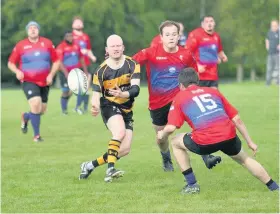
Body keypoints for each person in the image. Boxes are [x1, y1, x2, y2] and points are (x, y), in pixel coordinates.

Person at [158, 68, 279, 194]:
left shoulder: (179, 97)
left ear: (181, 85)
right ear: (197, 81)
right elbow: (237, 119)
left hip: (205, 142)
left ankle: (192, 184)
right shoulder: (213, 92)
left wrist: (162, 135)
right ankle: (274, 186)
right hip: (229, 136)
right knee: (244, 159)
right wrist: (250, 142)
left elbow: (171, 127)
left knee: (175, 141)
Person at [133, 20, 221, 172]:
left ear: (179, 35)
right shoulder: (150, 52)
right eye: (167, 35)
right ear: (161, 37)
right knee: (161, 137)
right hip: (157, 103)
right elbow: (130, 62)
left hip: (180, 98)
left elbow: (193, 75)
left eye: (174, 34)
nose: (171, 37)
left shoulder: (185, 54)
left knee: (198, 122)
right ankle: (166, 159)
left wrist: (194, 92)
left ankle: (207, 155)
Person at [79, 34, 141, 182]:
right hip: (109, 105)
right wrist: (94, 106)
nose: (116, 48)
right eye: (113, 46)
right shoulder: (101, 70)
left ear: (123, 47)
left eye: (118, 45)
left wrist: (123, 93)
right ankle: (110, 170)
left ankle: (89, 165)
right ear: (107, 49)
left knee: (124, 149)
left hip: (127, 108)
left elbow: (136, 89)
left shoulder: (132, 64)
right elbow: (96, 94)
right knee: (119, 132)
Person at [8, 21, 60, 142]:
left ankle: (26, 117)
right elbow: (10, 63)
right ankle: (37, 136)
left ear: (38, 30)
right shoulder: (21, 45)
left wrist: (51, 75)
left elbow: (56, 61)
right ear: (27, 31)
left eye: (35, 28)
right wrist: (17, 71)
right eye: (30, 28)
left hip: (45, 81)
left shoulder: (47, 43)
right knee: (36, 103)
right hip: (28, 80)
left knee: (41, 110)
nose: (33, 30)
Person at [185, 15, 227, 88]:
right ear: (202, 24)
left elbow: (219, 51)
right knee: (199, 97)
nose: (209, 24)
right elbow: (187, 52)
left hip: (213, 75)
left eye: (211, 21)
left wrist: (223, 56)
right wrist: (196, 65)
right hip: (199, 76)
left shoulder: (216, 36)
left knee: (213, 97)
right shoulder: (195, 34)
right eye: (207, 22)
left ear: (214, 23)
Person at [56, 31, 89, 114]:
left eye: (71, 36)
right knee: (66, 91)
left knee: (80, 89)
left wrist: (85, 71)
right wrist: (66, 73)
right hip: (64, 73)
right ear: (65, 38)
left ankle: (79, 108)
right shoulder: (61, 47)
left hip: (75, 72)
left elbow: (81, 59)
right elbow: (59, 62)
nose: (70, 38)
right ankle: (64, 111)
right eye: (68, 36)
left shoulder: (76, 46)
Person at [72, 16, 97, 114]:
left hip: (86, 63)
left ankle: (85, 108)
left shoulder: (85, 36)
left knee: (86, 86)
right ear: (73, 25)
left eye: (80, 22)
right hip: (75, 64)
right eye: (76, 22)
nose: (78, 24)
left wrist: (92, 56)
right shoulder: (71, 36)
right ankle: (78, 107)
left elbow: (88, 49)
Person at [265, 19, 279, 86]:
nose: (274, 27)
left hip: (277, 54)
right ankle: (268, 83)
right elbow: (267, 40)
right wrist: (267, 47)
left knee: (279, 68)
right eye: (272, 26)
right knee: (269, 69)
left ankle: (278, 82)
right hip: (270, 53)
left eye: (275, 25)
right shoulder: (269, 32)